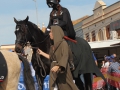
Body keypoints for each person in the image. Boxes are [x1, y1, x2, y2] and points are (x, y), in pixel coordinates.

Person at [37, 26, 78, 90]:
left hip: (63, 70)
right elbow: (51, 57)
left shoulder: (63, 43)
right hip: (54, 69)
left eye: (51, 32)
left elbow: (65, 56)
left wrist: (58, 66)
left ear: (55, 33)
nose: (49, 34)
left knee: (69, 86)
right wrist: (42, 53)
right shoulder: (52, 46)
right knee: (53, 87)